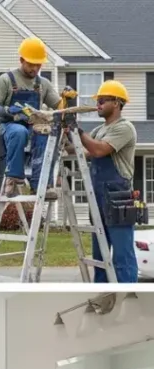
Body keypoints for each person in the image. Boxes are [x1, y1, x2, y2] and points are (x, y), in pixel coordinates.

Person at [76, 80, 140, 283]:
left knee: (122, 256)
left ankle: (128, 297)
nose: (98, 104)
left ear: (117, 103)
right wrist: (65, 131)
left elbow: (99, 150)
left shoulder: (125, 128)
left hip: (118, 196)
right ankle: (103, 297)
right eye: (98, 101)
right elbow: (80, 150)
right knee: (100, 257)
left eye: (103, 100)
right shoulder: (98, 130)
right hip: (98, 196)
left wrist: (77, 131)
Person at [0, 37, 62, 199]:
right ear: (21, 60)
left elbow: (59, 106)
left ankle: (42, 184)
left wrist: (66, 101)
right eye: (30, 64)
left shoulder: (43, 84)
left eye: (38, 65)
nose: (34, 68)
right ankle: (13, 179)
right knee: (19, 132)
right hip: (10, 127)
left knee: (46, 133)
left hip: (33, 126)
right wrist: (8, 110)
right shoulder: (7, 80)